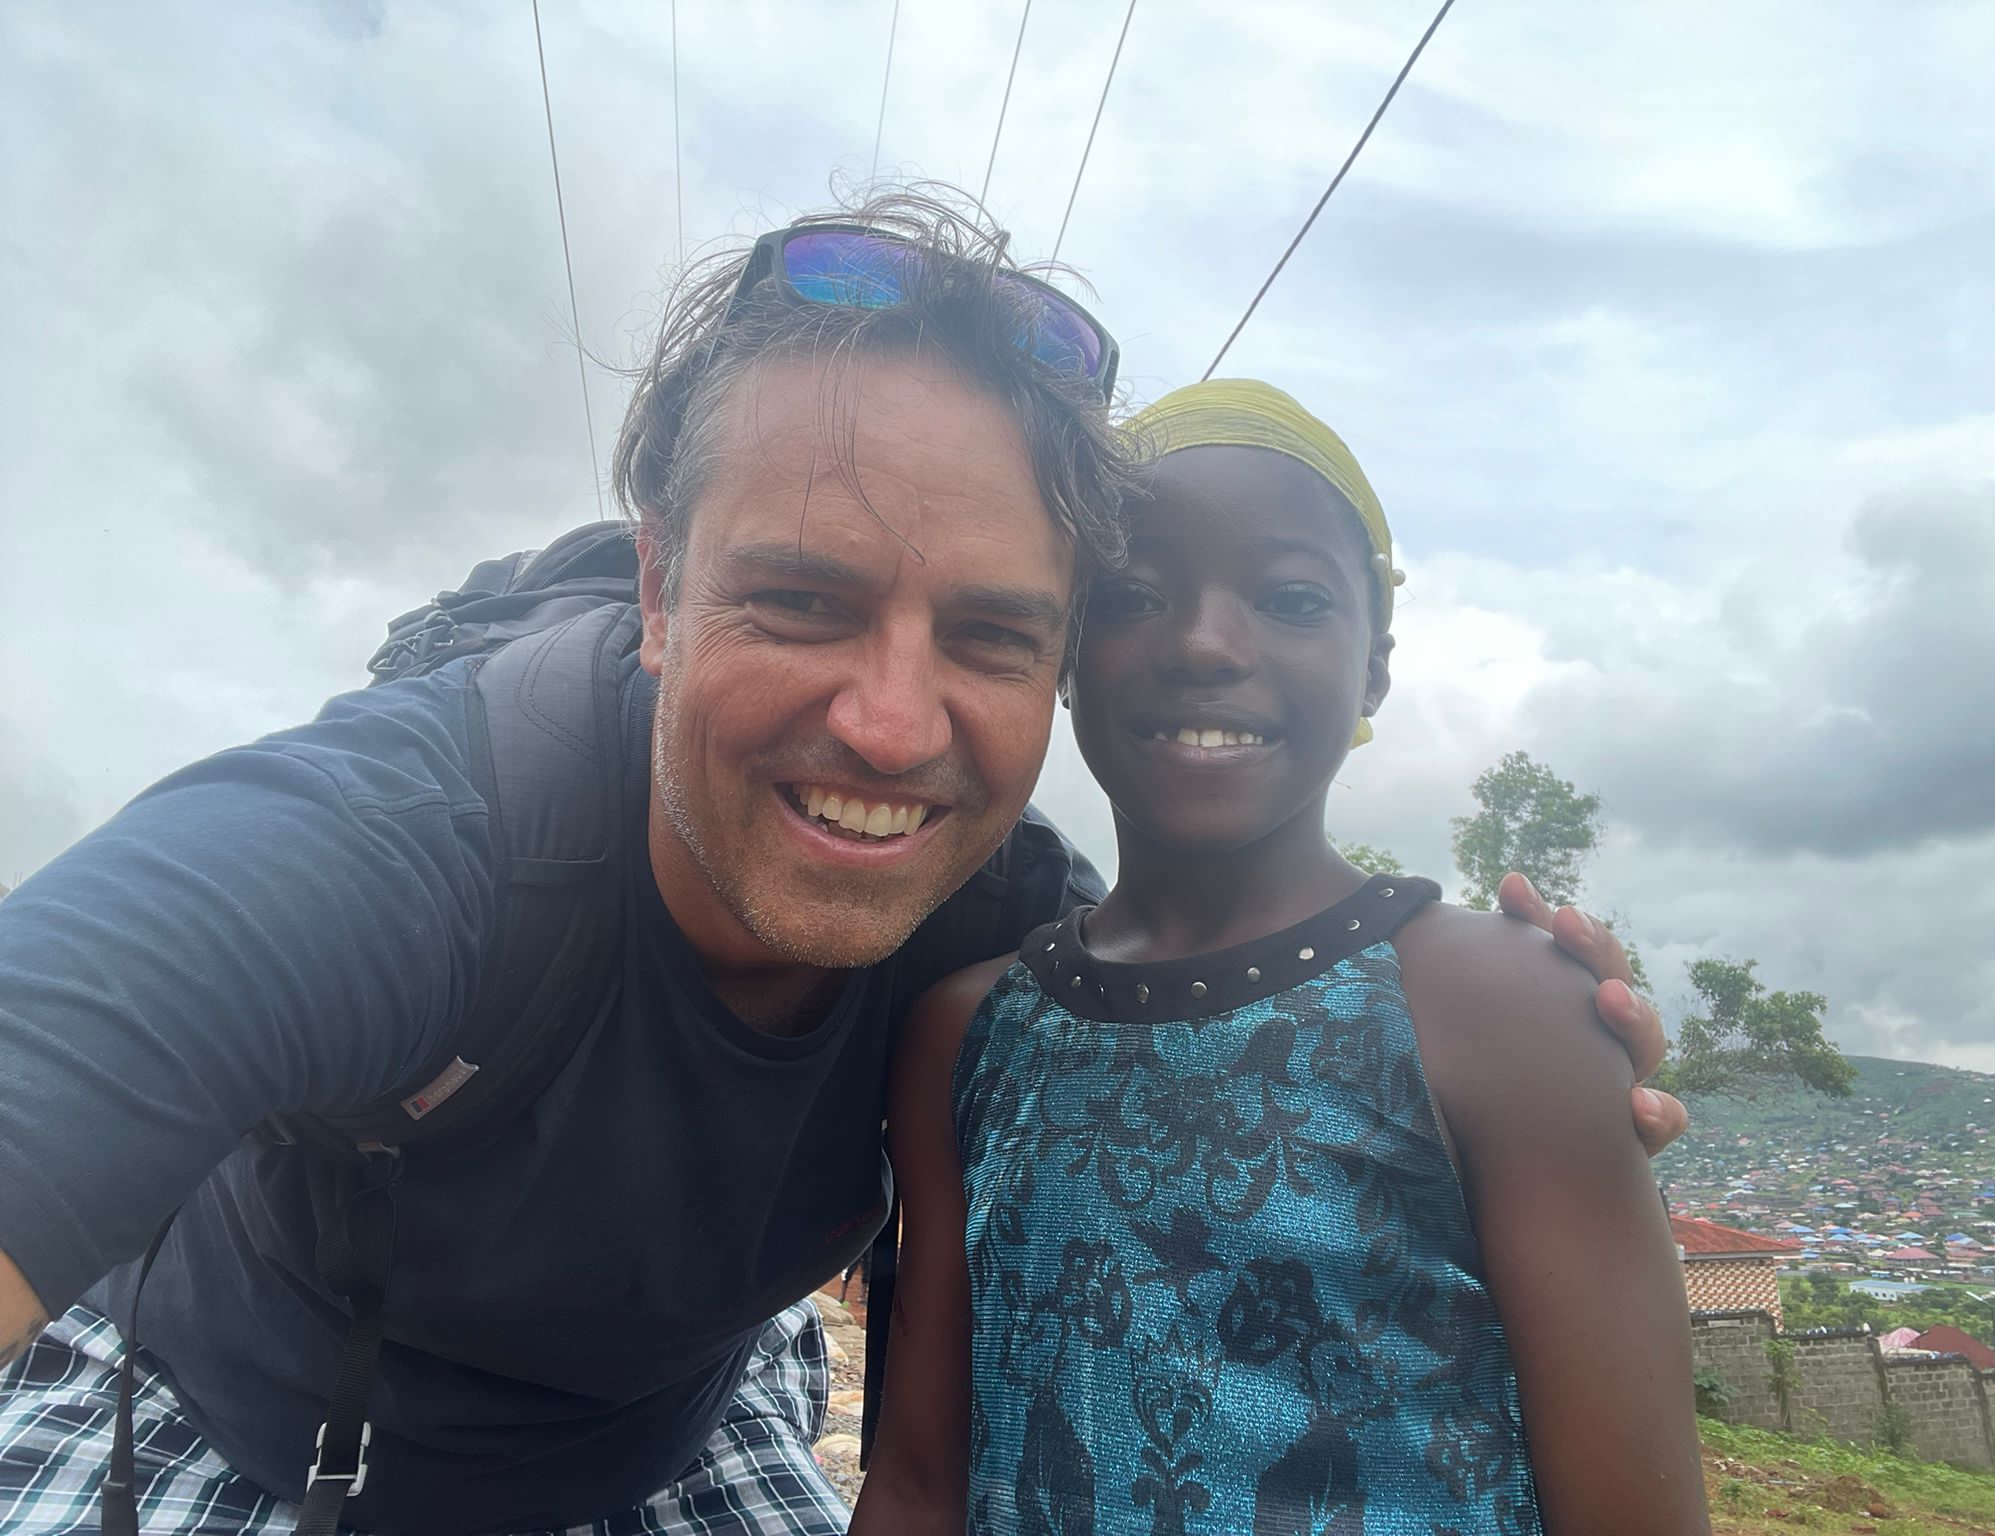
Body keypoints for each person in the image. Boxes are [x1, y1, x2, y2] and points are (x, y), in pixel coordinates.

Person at [0, 193, 1683, 1536]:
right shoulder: (399, 845)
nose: (889, 728)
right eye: (803, 600)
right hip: (257, 1429)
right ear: (658, 590)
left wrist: (1528, 1019)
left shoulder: (1007, 942)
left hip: (678, 1435)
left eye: (989, 632)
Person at [854, 381, 1711, 1534]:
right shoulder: (968, 1035)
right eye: (1133, 595)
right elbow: (918, 1480)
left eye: (1291, 598)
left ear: (1373, 669)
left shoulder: (1497, 1005)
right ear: (1061, 649)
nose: (1204, 643)